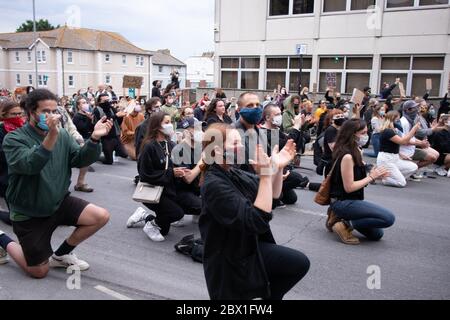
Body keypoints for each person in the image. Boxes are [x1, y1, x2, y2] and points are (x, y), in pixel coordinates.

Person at [0, 89, 112, 278]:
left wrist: (94, 139)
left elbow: (79, 159)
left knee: (100, 216)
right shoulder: (14, 139)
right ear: (30, 113)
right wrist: (51, 136)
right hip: (29, 213)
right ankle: (2, 238)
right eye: (45, 112)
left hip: (58, 202)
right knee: (38, 271)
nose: (51, 116)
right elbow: (30, 165)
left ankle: (61, 255)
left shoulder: (62, 135)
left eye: (54, 111)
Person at [199, 123, 310, 300]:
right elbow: (257, 220)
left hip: (246, 248)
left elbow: (272, 197)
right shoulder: (214, 184)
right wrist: (266, 175)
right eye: (235, 144)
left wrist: (277, 167)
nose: (241, 147)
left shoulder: (233, 172)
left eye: (240, 142)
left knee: (297, 264)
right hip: (228, 261)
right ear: (217, 151)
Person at [327, 119, 395, 245]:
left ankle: (340, 218)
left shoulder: (356, 150)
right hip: (343, 201)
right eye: (363, 133)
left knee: (377, 234)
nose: (366, 136)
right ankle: (344, 224)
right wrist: (372, 177)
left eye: (366, 132)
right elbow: (349, 187)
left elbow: (360, 173)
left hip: (354, 200)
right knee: (389, 218)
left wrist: (376, 174)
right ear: (352, 134)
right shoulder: (347, 155)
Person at [136, 112, 200, 241]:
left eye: (171, 122)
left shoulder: (169, 144)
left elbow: (174, 165)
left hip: (168, 189)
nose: (170, 125)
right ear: (156, 126)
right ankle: (151, 225)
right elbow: (145, 174)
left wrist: (181, 171)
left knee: (164, 230)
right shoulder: (149, 146)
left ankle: (143, 215)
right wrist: (172, 173)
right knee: (176, 213)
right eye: (166, 123)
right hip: (153, 190)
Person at [260, 104, 318, 202]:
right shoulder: (263, 131)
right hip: (268, 169)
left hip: (280, 167)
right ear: (268, 117)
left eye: (280, 114)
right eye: (277, 114)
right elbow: (285, 144)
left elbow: (296, 144)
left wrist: (300, 127)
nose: (280, 117)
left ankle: (278, 192)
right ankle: (268, 193)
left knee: (292, 199)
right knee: (297, 178)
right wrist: (295, 127)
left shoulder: (276, 130)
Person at [377, 111, 420, 187]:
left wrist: (401, 154)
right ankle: (383, 178)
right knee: (401, 183)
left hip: (395, 158)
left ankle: (392, 176)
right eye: (397, 119)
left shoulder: (394, 130)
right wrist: (414, 129)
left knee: (413, 167)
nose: (399, 121)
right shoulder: (387, 131)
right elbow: (403, 142)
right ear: (393, 119)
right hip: (386, 159)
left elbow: (391, 145)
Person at [0, 100, 26, 226]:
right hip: (6, 171)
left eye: (19, 114)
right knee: (15, 217)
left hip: (23, 168)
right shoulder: (1, 129)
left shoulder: (24, 127)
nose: (17, 117)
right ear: (4, 115)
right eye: (13, 114)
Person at [400, 100, 439, 179]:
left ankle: (411, 170)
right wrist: (420, 143)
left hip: (411, 148)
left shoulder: (411, 120)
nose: (418, 109)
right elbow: (403, 140)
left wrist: (422, 142)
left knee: (433, 157)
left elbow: (412, 137)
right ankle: (408, 170)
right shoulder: (404, 122)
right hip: (403, 151)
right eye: (415, 108)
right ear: (408, 110)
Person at [93, 93, 128, 165]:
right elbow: (103, 122)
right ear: (100, 102)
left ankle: (113, 150)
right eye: (105, 100)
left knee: (124, 154)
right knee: (109, 161)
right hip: (106, 138)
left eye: (108, 100)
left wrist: (121, 116)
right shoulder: (97, 110)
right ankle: (97, 157)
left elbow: (118, 121)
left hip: (115, 135)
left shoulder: (111, 108)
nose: (107, 102)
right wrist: (116, 116)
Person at [71, 97, 95, 192]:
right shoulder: (77, 117)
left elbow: (92, 128)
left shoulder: (88, 114)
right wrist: (89, 120)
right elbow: (83, 128)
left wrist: (91, 120)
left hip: (88, 137)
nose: (85, 104)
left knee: (87, 159)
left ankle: (80, 182)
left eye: (86, 102)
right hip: (80, 139)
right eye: (83, 102)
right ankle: (79, 183)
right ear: (78, 105)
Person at [319, 109, 346, 176]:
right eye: (337, 117)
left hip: (336, 160)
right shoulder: (331, 130)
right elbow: (334, 148)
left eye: (341, 116)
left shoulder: (339, 129)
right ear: (331, 119)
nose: (340, 118)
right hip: (331, 161)